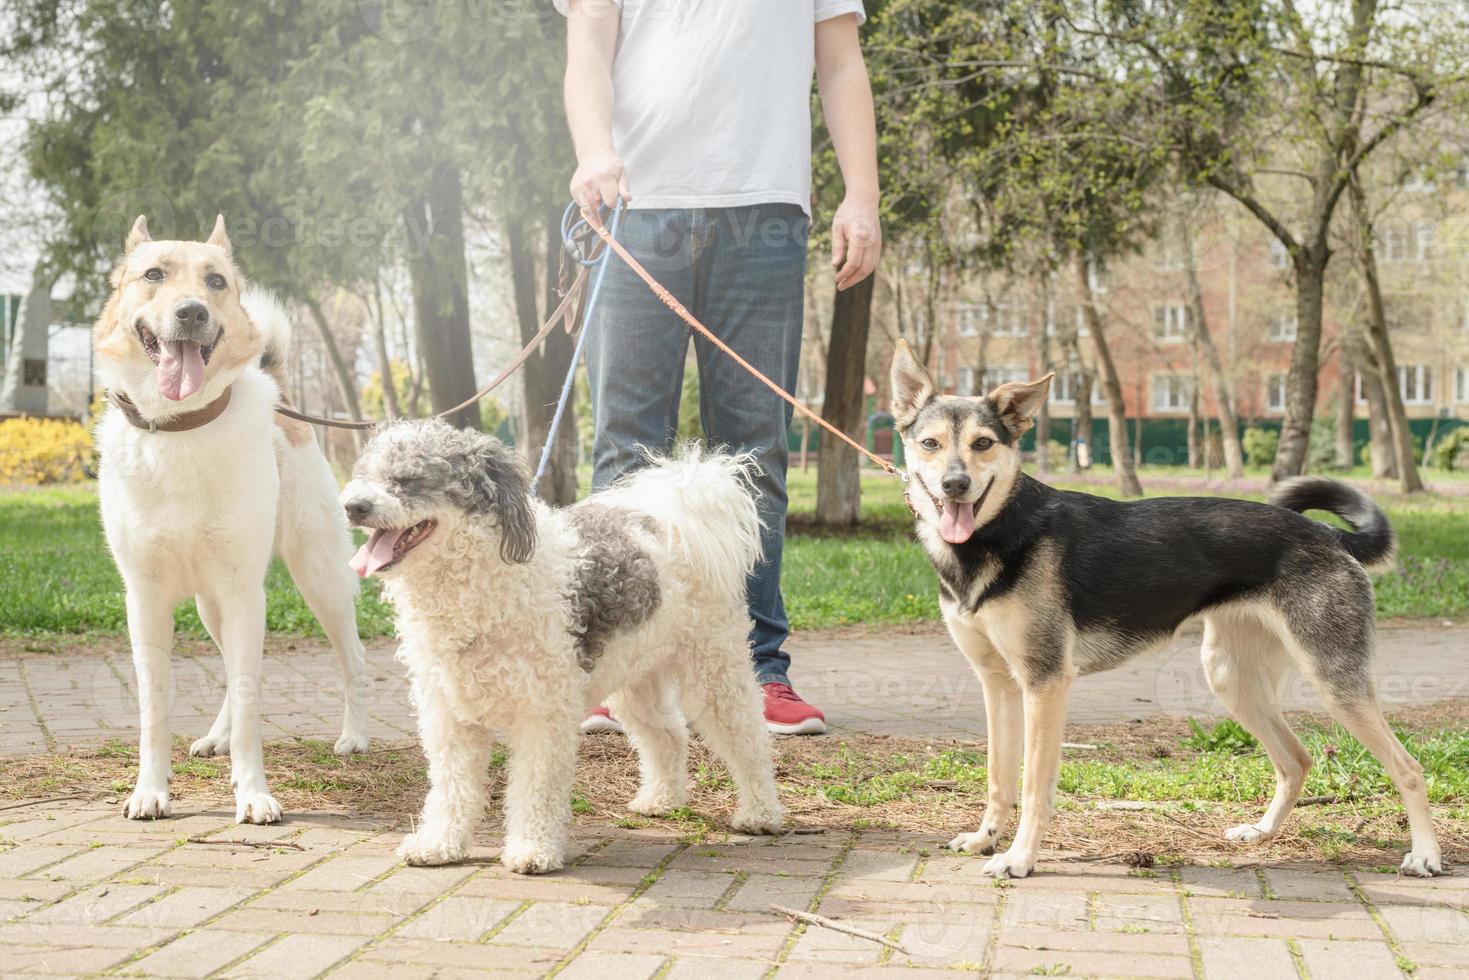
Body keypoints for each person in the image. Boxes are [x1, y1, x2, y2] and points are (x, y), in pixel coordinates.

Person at [558, 0, 882, 735]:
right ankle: (616, 667)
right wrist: (592, 150)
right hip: (632, 206)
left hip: (765, 213)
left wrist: (860, 196)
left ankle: (758, 671)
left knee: (754, 452)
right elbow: (586, 52)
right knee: (626, 446)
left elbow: (839, 63)